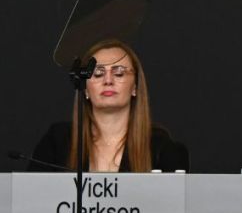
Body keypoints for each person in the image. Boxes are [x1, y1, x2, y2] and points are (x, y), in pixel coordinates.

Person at [30, 39, 189, 172]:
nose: (108, 80)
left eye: (119, 73)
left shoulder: (160, 147)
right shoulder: (58, 142)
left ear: (135, 87)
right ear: (85, 89)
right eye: (98, 73)